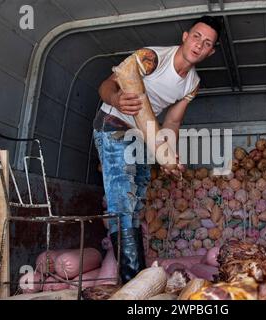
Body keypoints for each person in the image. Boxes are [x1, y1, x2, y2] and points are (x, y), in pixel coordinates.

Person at [93, 15, 221, 284]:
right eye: (196, 36)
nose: (199, 45)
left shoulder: (192, 84)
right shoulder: (151, 58)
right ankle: (132, 283)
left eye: (207, 43)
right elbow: (105, 85)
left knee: (138, 199)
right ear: (185, 36)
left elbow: (172, 122)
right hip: (113, 124)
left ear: (211, 52)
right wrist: (116, 98)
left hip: (144, 136)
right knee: (123, 199)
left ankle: (137, 276)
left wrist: (169, 155)